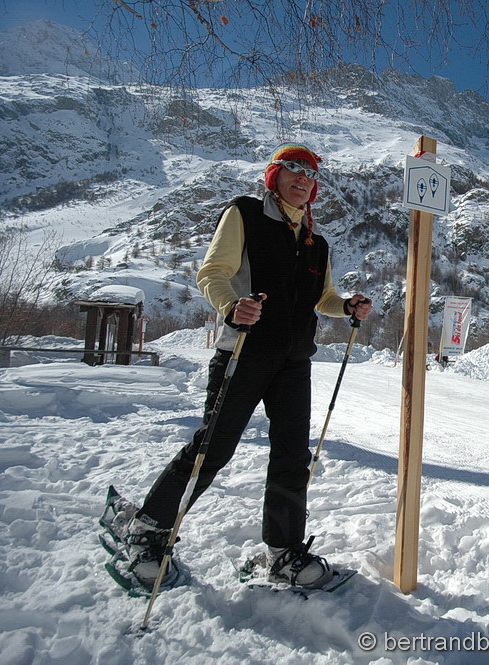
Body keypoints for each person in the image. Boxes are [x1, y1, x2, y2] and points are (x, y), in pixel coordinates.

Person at [108, 142, 372, 591]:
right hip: (243, 353)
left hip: (293, 362)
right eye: (292, 169)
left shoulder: (316, 242)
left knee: (292, 456)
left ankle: (284, 551)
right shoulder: (245, 214)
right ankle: (148, 529)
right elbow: (212, 272)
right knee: (214, 447)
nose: (302, 179)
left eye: (310, 174)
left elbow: (322, 298)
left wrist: (345, 305)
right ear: (274, 176)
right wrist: (231, 306)